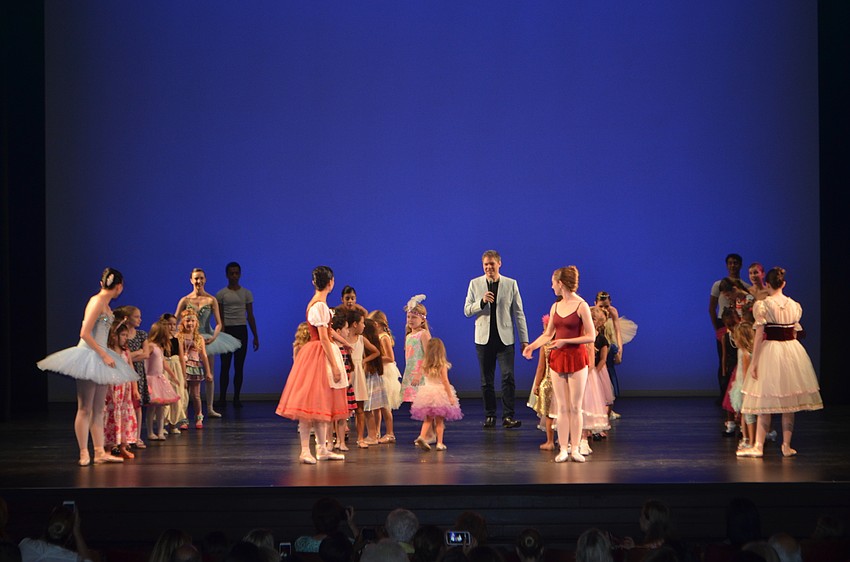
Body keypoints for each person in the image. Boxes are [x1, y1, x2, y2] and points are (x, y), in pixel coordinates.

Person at [37, 268, 136, 466]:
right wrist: (103, 354)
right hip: (90, 354)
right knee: (85, 408)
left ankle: (99, 451)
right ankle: (84, 452)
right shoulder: (97, 301)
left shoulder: (106, 305)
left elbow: (100, 332)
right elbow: (84, 333)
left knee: (99, 409)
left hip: (100, 354)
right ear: (119, 286)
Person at [738, 267, 823, 458]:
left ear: (767, 284)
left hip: (771, 351)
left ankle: (758, 446)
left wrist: (755, 362)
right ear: (783, 284)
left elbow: (759, 335)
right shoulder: (794, 305)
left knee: (764, 401)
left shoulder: (763, 305)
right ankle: (786, 445)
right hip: (791, 351)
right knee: (789, 402)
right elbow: (795, 333)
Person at [275, 266, 349, 464]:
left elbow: (328, 331)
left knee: (322, 404)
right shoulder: (320, 306)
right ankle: (305, 450)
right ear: (331, 282)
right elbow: (324, 338)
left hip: (320, 351)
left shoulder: (320, 305)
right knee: (311, 404)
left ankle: (322, 448)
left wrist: (345, 343)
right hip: (318, 355)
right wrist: (334, 365)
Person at [523, 266, 596, 463]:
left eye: (553, 282)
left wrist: (567, 341)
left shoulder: (581, 306)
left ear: (560, 283)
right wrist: (532, 346)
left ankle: (575, 449)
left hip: (577, 359)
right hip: (558, 359)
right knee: (562, 407)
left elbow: (591, 336)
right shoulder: (555, 307)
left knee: (575, 406)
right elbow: (548, 334)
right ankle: (563, 448)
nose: (552, 286)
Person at [463, 250, 529, 429]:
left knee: (508, 377)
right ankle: (490, 415)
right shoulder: (475, 283)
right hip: (483, 340)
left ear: (499, 263)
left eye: (492, 264)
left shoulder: (510, 284)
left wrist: (525, 340)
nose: (488, 267)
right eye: (485, 264)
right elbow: (467, 310)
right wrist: (482, 302)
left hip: (505, 339)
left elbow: (518, 313)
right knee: (486, 380)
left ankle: (508, 416)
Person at [176, 268, 241, 419]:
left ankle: (210, 408)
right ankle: (184, 410)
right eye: (196, 279)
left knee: (209, 372)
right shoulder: (185, 300)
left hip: (206, 337)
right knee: (187, 373)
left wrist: (213, 337)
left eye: (201, 278)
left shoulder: (211, 300)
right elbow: (176, 320)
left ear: (205, 280)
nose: (199, 281)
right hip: (189, 339)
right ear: (191, 280)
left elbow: (218, 323)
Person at [216, 262, 259, 409]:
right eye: (231, 273)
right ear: (227, 275)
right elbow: (219, 317)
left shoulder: (246, 293)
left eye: (236, 273)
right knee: (225, 366)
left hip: (241, 331)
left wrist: (256, 336)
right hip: (227, 330)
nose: (234, 276)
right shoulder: (221, 294)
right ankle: (222, 398)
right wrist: (220, 334)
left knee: (239, 366)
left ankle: (236, 398)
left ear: (240, 274)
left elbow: (250, 316)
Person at [709, 254, 750, 402]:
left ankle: (739, 394)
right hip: (722, 324)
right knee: (724, 359)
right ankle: (723, 395)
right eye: (730, 263)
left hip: (739, 324)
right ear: (727, 265)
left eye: (736, 263)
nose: (733, 266)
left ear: (740, 265)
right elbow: (712, 307)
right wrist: (717, 328)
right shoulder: (718, 285)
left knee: (740, 358)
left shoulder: (745, 287)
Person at [411, 338, 462, 451]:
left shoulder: (425, 364)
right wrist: (449, 396)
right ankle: (439, 443)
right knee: (439, 421)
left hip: (427, 392)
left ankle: (422, 436)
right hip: (439, 393)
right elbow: (445, 381)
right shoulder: (442, 365)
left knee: (428, 419)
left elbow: (419, 376)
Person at [103, 320, 138, 459]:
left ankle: (123, 446)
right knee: (110, 416)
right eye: (123, 335)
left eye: (126, 335)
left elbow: (131, 369)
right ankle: (108, 447)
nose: (125, 338)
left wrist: (135, 388)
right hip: (112, 388)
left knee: (124, 416)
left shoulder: (126, 352)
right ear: (114, 336)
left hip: (125, 389)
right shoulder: (108, 352)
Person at [145, 319, 181, 440]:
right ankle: (150, 432)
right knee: (152, 408)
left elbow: (164, 363)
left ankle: (160, 431)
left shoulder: (159, 347)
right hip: (151, 379)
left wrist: (173, 376)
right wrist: (144, 379)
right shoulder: (150, 346)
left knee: (161, 407)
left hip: (160, 378)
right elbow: (145, 362)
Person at [368, 310, 401, 443]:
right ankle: (376, 432)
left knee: (385, 406)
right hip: (378, 372)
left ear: (376, 324)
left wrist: (376, 358)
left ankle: (390, 433)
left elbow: (390, 357)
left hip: (386, 372)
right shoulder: (377, 337)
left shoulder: (384, 337)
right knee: (377, 404)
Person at [18, 504, 93, 562]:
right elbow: (87, 560)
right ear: (70, 536)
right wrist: (77, 531)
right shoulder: (71, 558)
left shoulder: (26, 545)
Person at [178, 308, 213, 429]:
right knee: (184, 395)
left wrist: (208, 371)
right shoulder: (180, 337)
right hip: (183, 367)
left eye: (192, 321)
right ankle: (184, 418)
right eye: (188, 321)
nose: (190, 323)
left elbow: (203, 355)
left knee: (196, 395)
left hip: (195, 367)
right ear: (182, 322)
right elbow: (180, 355)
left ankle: (199, 416)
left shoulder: (199, 338)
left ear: (196, 323)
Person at [529, 314, 556, 451]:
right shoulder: (563, 344)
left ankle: (550, 441)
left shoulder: (545, 346)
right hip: (562, 383)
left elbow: (541, 368)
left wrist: (537, 385)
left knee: (549, 413)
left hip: (548, 383)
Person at [399, 296, 431, 404]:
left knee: (424, 402)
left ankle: (428, 421)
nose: (410, 320)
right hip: (411, 373)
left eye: (414, 317)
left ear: (422, 319)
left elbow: (428, 356)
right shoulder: (409, 336)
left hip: (421, 373)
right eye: (408, 317)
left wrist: (419, 373)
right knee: (416, 404)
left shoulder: (423, 334)